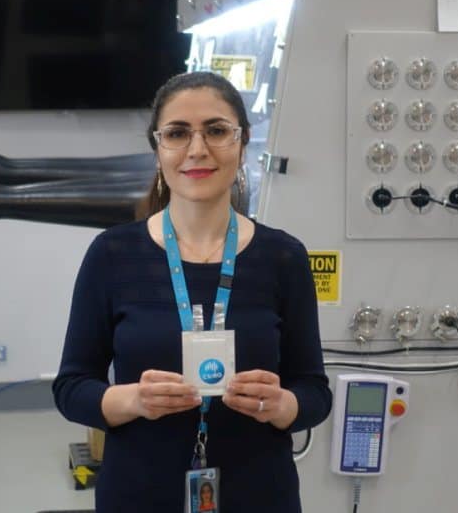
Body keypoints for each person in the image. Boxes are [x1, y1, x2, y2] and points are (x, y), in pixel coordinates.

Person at [53, 71, 332, 512]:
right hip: (140, 493)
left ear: (242, 144)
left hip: (259, 493)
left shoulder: (284, 258)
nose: (197, 149)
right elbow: (71, 388)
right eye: (178, 133)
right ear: (158, 147)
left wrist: (282, 405)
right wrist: (133, 399)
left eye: (217, 131)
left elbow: (315, 392)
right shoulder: (112, 254)